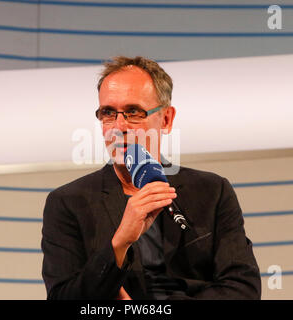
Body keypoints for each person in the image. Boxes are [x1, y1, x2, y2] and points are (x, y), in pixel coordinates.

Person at [41, 56, 261, 300]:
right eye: (108, 113)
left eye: (133, 112)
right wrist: (119, 244)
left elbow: (243, 290)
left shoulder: (212, 191)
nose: (119, 126)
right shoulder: (68, 202)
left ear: (166, 119)